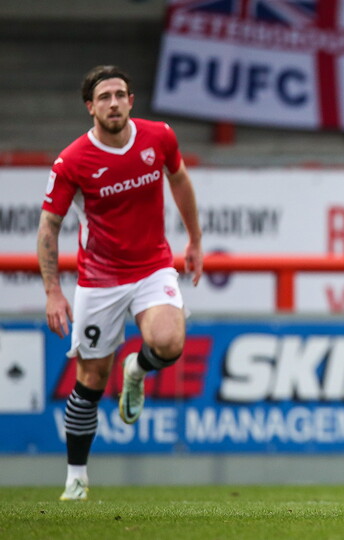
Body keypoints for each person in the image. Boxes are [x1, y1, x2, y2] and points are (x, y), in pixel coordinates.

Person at [37, 65, 203, 501]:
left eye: (120, 94)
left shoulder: (158, 137)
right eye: (104, 96)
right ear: (91, 107)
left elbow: (180, 180)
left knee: (169, 341)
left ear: (131, 100)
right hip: (100, 278)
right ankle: (76, 477)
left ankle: (138, 370)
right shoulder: (72, 161)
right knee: (90, 379)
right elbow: (48, 227)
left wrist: (196, 241)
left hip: (152, 266)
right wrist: (53, 290)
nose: (114, 102)